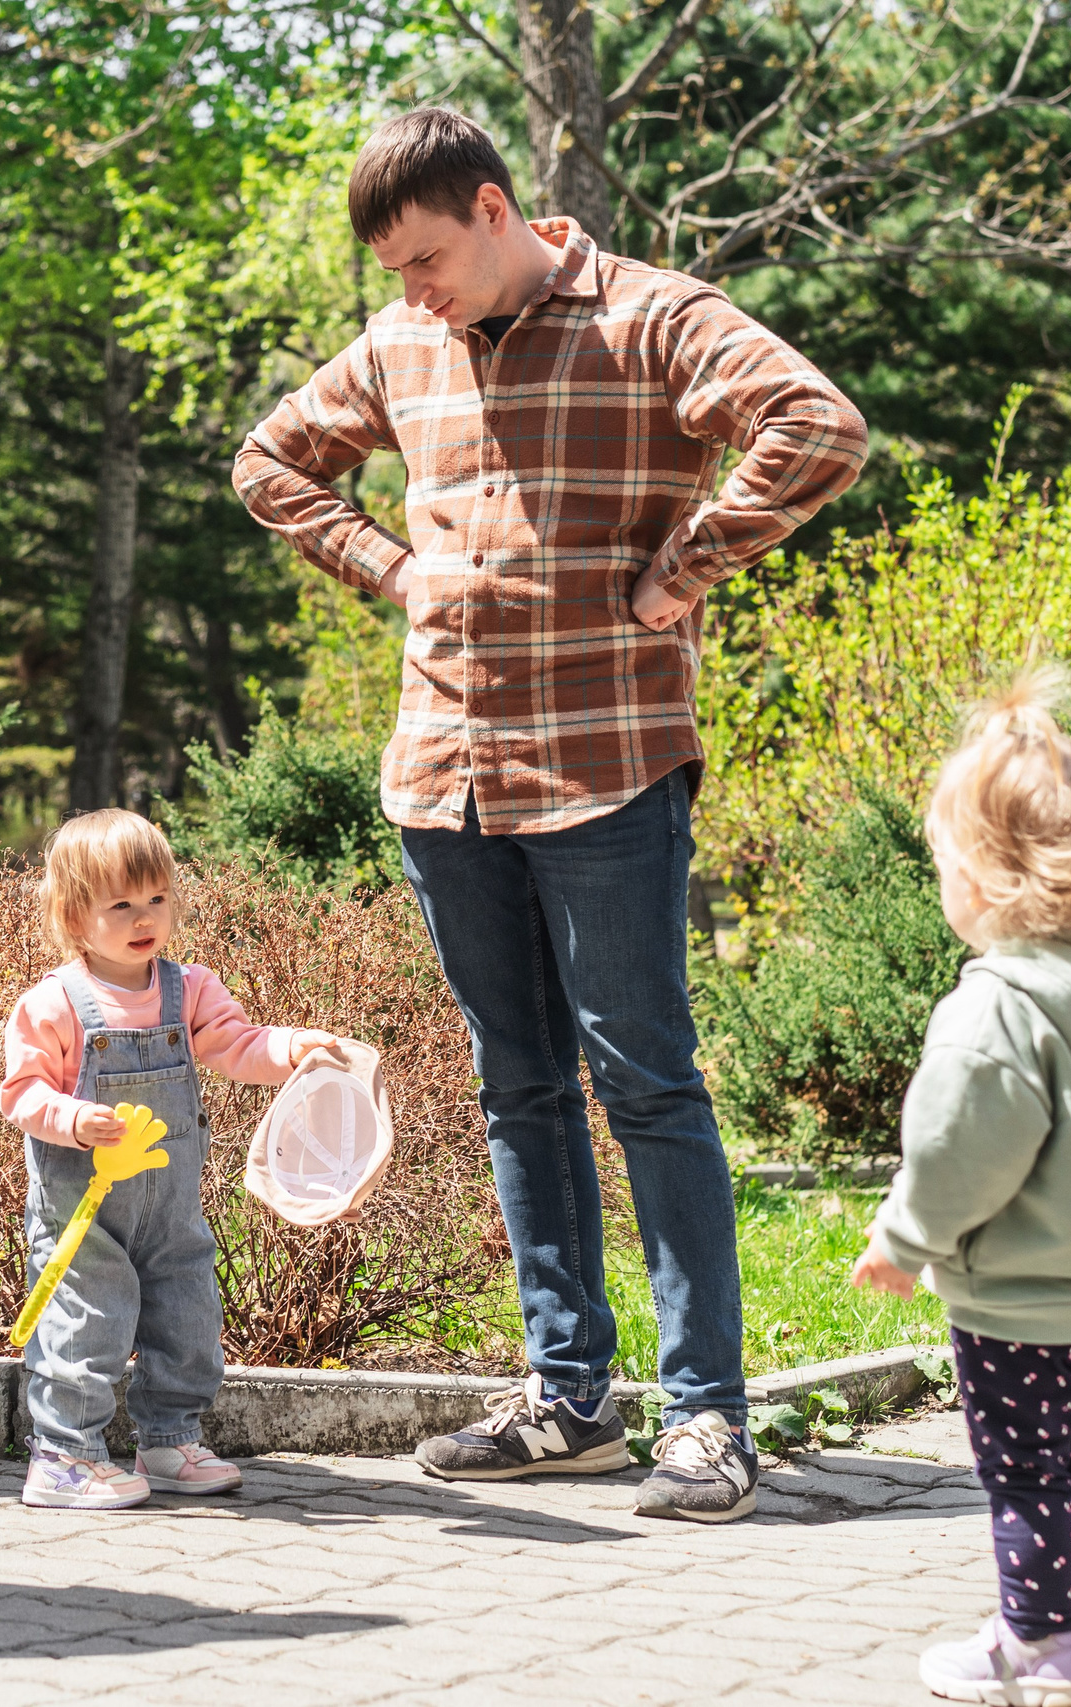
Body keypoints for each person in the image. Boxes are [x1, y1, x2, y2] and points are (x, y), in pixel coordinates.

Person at [231, 108, 866, 1521]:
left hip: (607, 764)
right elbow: (269, 465)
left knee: (647, 1082)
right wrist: (387, 568)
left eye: (430, 257)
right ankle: (570, 1398)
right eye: (393, 270)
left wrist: (693, 559)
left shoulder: (650, 318)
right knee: (519, 1087)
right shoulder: (402, 345)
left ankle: (707, 1417)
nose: (413, 291)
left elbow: (818, 424)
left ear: (499, 207)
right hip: (441, 771)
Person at [849, 670, 1071, 1704]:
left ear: (978, 874)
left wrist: (906, 1240)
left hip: (1015, 1308)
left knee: (1025, 1475)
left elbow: (963, 1151)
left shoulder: (993, 1012)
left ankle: (1040, 1644)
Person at [0, 811, 345, 1510]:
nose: (142, 917)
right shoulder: (56, 1002)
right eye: (120, 904)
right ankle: (64, 1455)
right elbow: (22, 1092)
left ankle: (168, 1436)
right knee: (85, 1320)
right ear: (72, 914)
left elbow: (236, 1044)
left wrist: (290, 1049)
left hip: (169, 1204)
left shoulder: (189, 988)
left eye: (155, 897)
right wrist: (71, 1116)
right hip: (84, 1211)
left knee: (187, 1312)